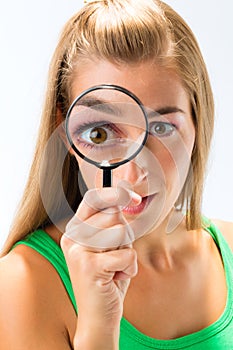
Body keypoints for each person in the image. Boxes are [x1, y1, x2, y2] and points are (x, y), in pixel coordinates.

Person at [0, 0, 232, 348]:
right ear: (64, 135)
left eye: (162, 128)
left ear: (198, 126)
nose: (134, 171)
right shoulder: (21, 285)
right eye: (100, 133)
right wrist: (97, 326)